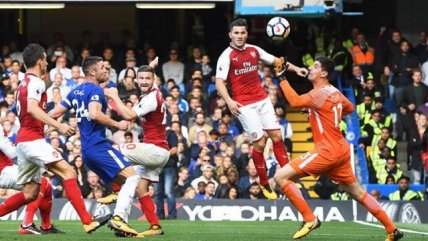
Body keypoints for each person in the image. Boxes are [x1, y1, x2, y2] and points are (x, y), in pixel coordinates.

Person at [274, 56, 403, 241]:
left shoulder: (318, 94)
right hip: (341, 150)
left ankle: (310, 219)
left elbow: (294, 102)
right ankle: (392, 229)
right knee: (358, 192)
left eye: (316, 66)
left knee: (280, 177)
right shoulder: (333, 91)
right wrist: (320, 111)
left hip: (327, 150)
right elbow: (349, 108)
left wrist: (281, 77)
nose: (311, 68)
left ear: (324, 73)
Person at [0, 44, 110, 234]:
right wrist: (59, 126)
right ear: (40, 61)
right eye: (45, 59)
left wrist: (46, 128)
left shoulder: (23, 84)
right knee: (69, 172)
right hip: (32, 142)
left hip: (24, 142)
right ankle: (87, 220)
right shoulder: (37, 82)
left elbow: (28, 116)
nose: (47, 63)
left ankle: (35, 225)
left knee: (30, 192)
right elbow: (33, 109)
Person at [48, 56, 144, 237]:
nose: (106, 70)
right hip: (99, 146)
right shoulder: (96, 90)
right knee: (133, 179)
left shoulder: (75, 91)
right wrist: (117, 125)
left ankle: (104, 214)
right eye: (102, 67)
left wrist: (43, 124)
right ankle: (118, 220)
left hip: (87, 152)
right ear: (92, 72)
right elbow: (94, 114)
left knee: (124, 183)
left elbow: (55, 112)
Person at [215, 18, 307, 200]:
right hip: (244, 106)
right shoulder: (226, 56)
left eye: (242, 33)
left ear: (246, 34)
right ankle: (264, 182)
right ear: (230, 35)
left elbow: (277, 62)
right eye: (236, 33)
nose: (239, 36)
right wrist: (229, 101)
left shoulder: (254, 50)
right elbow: (219, 82)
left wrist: (296, 69)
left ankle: (288, 176)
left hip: (263, 100)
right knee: (260, 143)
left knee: (277, 137)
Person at [102, 57, 170, 236]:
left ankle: (117, 191)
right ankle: (155, 226)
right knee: (140, 188)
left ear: (152, 79)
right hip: (159, 151)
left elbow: (129, 115)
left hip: (155, 150)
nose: (145, 81)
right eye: (142, 78)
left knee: (113, 152)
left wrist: (114, 96)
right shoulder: (154, 90)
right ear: (136, 79)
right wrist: (152, 66)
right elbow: (151, 74)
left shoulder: (151, 98)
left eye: (148, 78)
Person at [0, 125, 64, 234]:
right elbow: (11, 152)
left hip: (6, 167)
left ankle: (46, 226)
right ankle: (27, 224)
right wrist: (41, 148)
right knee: (41, 183)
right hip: (3, 170)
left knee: (46, 185)